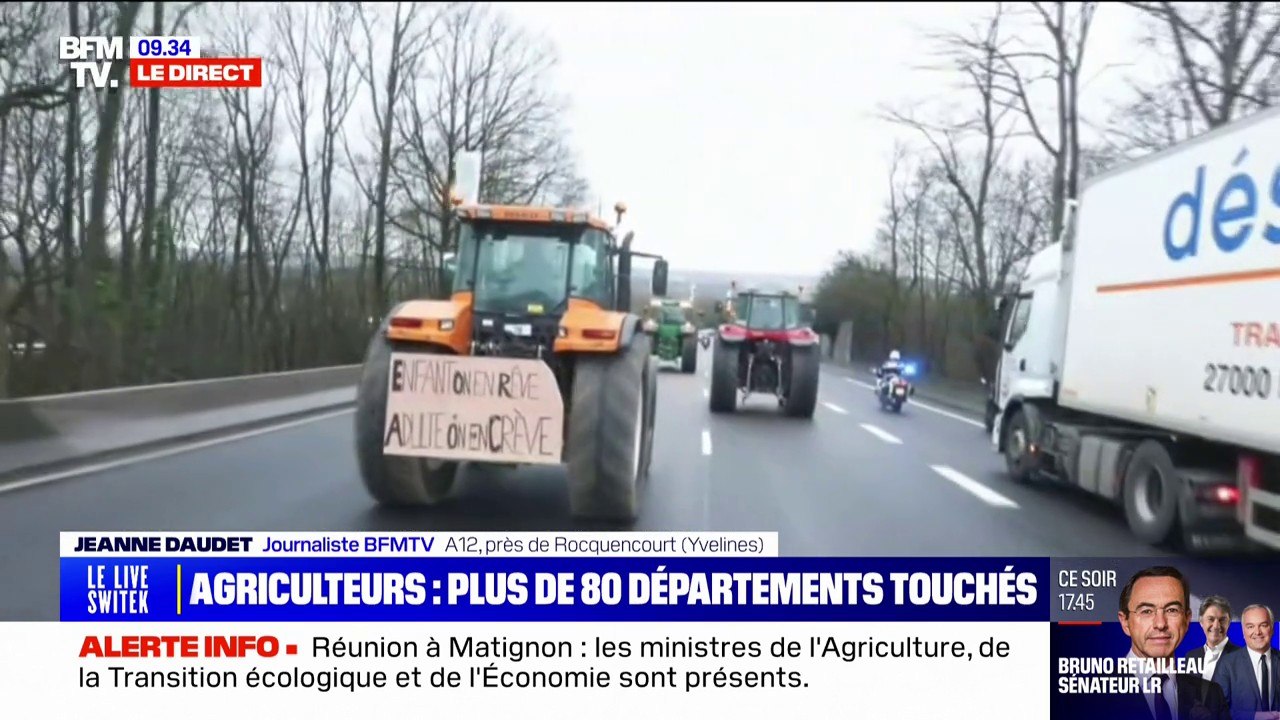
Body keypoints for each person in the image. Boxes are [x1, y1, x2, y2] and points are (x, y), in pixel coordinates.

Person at [1115, 566, 1230, 719]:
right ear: (1125, 622)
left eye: (1172, 610)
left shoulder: (1212, 696)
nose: (1160, 624)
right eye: (1147, 611)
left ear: (1187, 620)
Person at [1209, 604, 1280, 720]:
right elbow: (1215, 710)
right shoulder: (1227, 664)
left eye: (1263, 625)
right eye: (1250, 626)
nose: (1257, 632)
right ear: (1243, 631)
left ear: (1272, 628)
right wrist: (1254, 716)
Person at [1186, 596, 1243, 682]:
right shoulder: (1191, 656)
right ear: (1201, 622)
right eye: (1211, 619)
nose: (1216, 626)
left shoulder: (1241, 658)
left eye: (1222, 620)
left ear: (1229, 622)